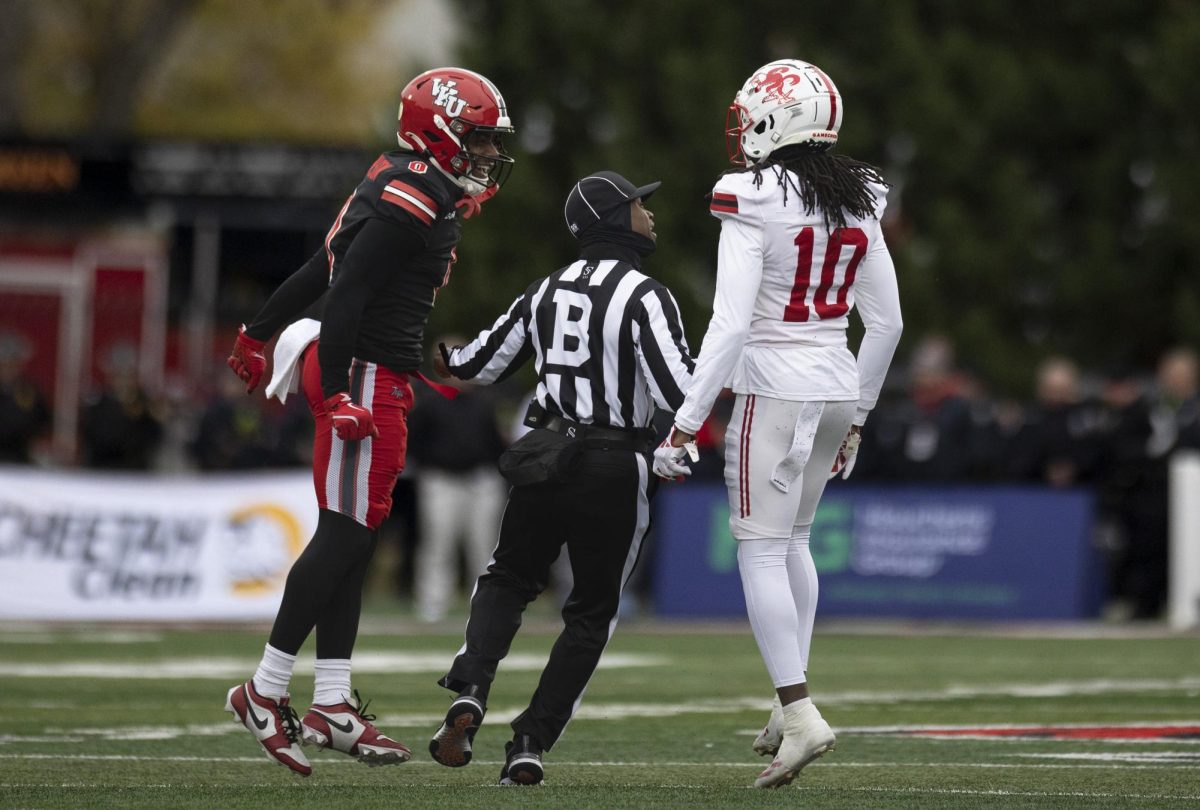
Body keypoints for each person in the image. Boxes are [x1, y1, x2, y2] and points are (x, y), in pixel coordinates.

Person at [221, 66, 515, 777]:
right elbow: (345, 290)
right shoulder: (414, 191)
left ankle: (331, 703)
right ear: (439, 131)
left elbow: (324, 266)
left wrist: (257, 332)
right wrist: (334, 396)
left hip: (374, 372)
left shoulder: (409, 179)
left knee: (353, 537)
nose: (485, 155)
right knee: (343, 534)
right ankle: (264, 690)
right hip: (364, 373)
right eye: (475, 139)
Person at [652, 59, 903, 788]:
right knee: (792, 541)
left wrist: (683, 422)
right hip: (833, 385)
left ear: (774, 118)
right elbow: (884, 323)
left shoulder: (752, 196)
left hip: (776, 385)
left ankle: (798, 712)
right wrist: (859, 413)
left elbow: (729, 324)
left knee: (760, 549)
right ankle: (786, 698)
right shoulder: (858, 197)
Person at [427, 170, 694, 785]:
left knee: (507, 579)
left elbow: (476, 363)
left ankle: (470, 685)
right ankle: (530, 740)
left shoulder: (545, 288)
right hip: (614, 461)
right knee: (591, 614)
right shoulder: (646, 295)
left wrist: (445, 356)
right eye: (638, 206)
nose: (649, 216)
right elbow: (679, 389)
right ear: (612, 218)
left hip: (544, 452)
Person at [406, 338, 508, 622]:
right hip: (440, 480)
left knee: (484, 545)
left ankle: (484, 607)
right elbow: (413, 442)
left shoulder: (485, 399)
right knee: (438, 542)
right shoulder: (427, 401)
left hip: (481, 481)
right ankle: (432, 605)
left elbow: (496, 444)